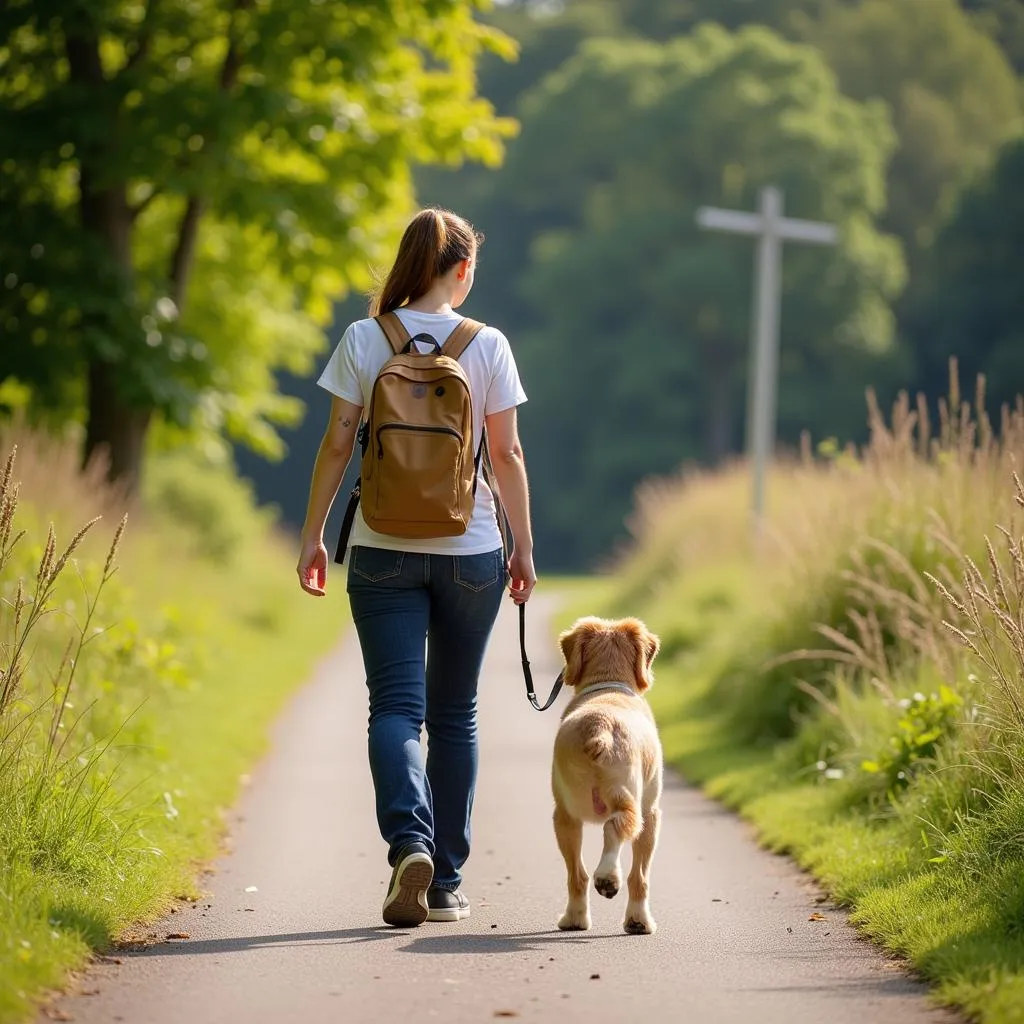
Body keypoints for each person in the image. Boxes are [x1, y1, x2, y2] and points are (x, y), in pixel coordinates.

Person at [296, 207, 536, 928]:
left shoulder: (366, 338)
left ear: (407, 263)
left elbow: (338, 443)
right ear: (462, 271)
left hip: (381, 546)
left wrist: (313, 535)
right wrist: (522, 546)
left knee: (396, 707)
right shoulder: (487, 344)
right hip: (471, 551)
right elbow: (508, 455)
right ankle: (447, 885)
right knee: (455, 712)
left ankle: (409, 842)